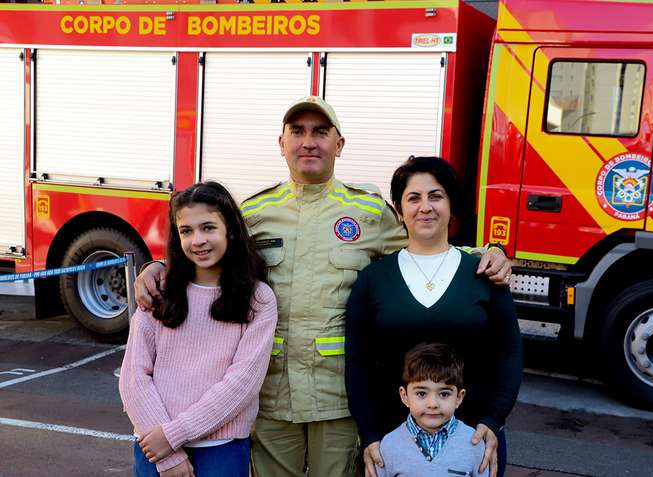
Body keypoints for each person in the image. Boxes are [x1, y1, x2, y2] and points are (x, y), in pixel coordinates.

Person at [133, 97, 512, 477]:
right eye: (297, 132)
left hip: (337, 400)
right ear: (281, 144)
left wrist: (487, 252)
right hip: (271, 398)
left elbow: (425, 246)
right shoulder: (253, 213)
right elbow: (207, 251)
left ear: (339, 144)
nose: (308, 142)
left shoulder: (369, 213)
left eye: (320, 132)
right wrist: (158, 267)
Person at [345, 156, 523, 477]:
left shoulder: (484, 273)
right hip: (392, 441)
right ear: (399, 211)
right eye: (414, 198)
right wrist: (369, 433)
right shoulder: (373, 279)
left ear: (451, 206)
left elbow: (509, 353)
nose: (425, 206)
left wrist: (493, 420)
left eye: (436, 196)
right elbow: (357, 360)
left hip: (473, 439)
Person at [119, 181, 278, 477]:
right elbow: (133, 378)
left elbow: (242, 384)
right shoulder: (158, 291)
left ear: (229, 229)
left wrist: (173, 435)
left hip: (222, 449)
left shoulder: (258, 298)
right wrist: (167, 455)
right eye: (186, 231)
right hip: (154, 447)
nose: (197, 240)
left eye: (208, 228)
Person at [376, 342, 487, 477]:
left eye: (444, 394)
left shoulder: (474, 443)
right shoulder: (389, 445)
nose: (433, 404)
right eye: (422, 394)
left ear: (459, 397)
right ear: (405, 396)